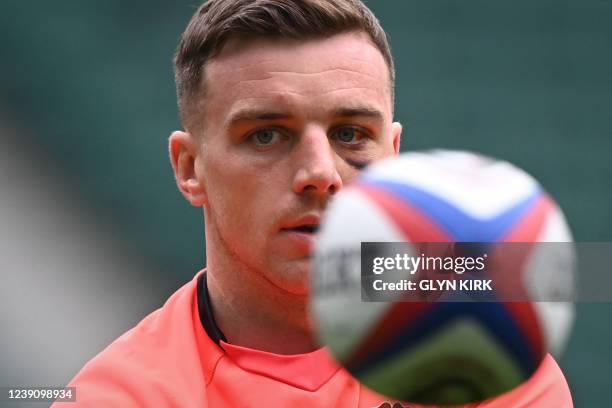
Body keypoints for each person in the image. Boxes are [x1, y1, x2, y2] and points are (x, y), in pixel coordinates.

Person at [54, 0, 573, 406]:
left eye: (350, 133)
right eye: (266, 136)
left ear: (394, 156)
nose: (320, 174)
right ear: (191, 167)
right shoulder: (115, 397)